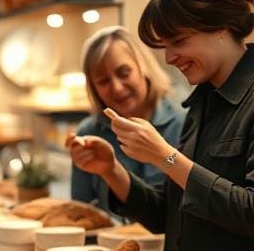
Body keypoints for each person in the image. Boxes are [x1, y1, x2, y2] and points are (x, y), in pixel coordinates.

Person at [67, 0, 254, 251]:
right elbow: (167, 217)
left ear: (221, 26)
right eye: (164, 46)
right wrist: (111, 170)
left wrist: (164, 156)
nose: (168, 58)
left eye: (178, 41)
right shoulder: (202, 103)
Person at [71, 26, 185, 214]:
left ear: (144, 67)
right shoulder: (88, 135)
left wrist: (166, 157)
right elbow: (82, 211)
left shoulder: (184, 122)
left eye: (124, 73)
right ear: (93, 88)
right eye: (103, 81)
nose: (117, 88)